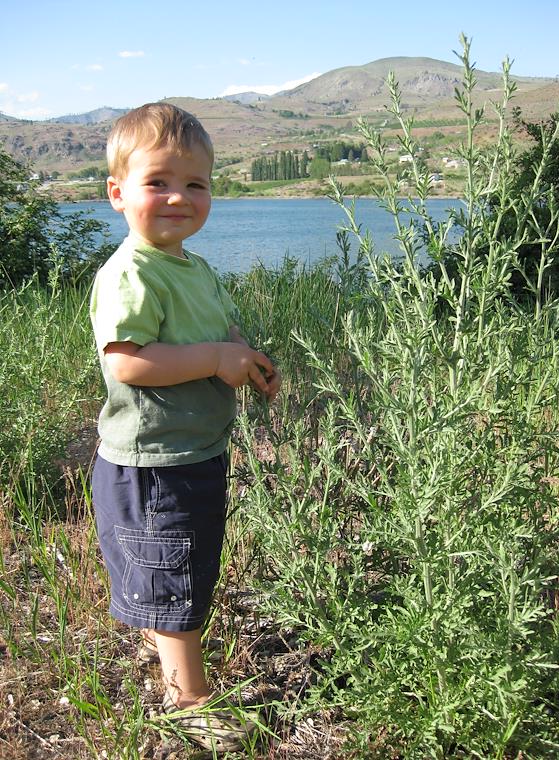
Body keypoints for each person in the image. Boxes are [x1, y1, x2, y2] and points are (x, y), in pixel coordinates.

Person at [89, 102, 281, 751]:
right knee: (174, 578)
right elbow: (127, 362)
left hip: (190, 452)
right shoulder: (131, 273)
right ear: (117, 193)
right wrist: (214, 360)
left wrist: (243, 355)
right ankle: (187, 698)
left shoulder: (193, 268)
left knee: (179, 566)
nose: (179, 196)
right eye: (158, 182)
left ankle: (161, 632)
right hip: (153, 464)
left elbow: (219, 331)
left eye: (195, 183)